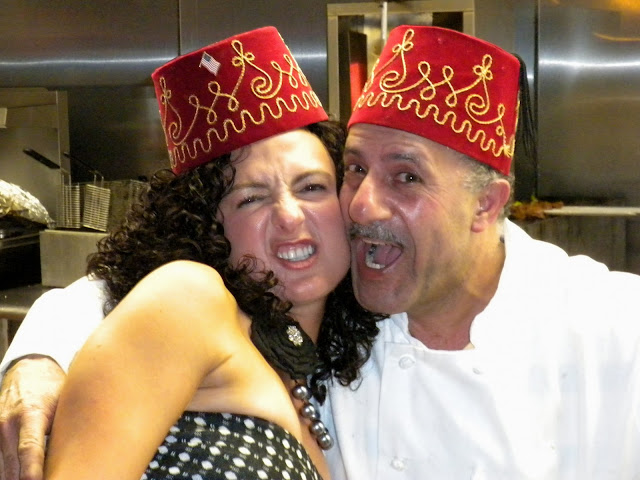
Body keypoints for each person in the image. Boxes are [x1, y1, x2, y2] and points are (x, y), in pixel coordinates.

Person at [3, 24, 640, 480]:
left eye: (407, 177)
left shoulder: (611, 326)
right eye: (355, 170)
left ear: (486, 204)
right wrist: (36, 357)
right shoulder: (339, 301)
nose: (363, 206)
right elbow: (127, 303)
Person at [6, 26, 381, 480]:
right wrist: (36, 356)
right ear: (204, 226)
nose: (289, 216)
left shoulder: (315, 370)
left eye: (312, 187)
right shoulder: (191, 300)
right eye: (251, 198)